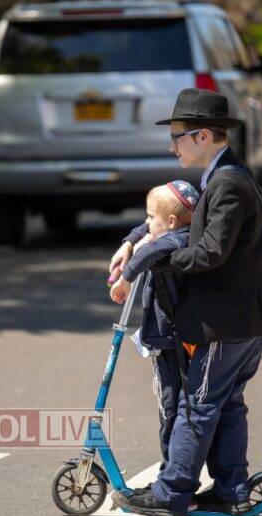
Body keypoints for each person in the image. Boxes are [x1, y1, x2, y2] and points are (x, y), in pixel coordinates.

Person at [109, 88, 262, 516]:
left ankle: (172, 494)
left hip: (229, 322)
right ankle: (231, 490)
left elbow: (210, 252)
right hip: (246, 319)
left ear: (204, 135)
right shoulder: (224, 175)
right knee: (225, 404)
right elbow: (175, 219)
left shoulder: (227, 182)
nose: (172, 146)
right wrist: (136, 240)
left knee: (198, 405)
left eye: (177, 136)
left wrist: (153, 260)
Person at [108, 181, 198, 474]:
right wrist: (130, 242)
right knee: (174, 408)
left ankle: (173, 475)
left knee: (171, 409)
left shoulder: (176, 242)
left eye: (150, 217)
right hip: (170, 339)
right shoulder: (182, 230)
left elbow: (152, 250)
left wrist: (125, 278)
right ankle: (176, 472)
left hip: (172, 341)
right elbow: (148, 232)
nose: (146, 223)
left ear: (171, 222)